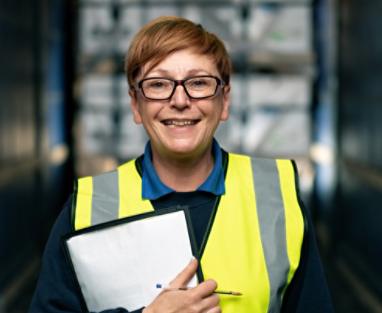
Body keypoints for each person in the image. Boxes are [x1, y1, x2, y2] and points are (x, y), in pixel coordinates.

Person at [29, 16, 333, 313]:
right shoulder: (87, 209)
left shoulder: (276, 198)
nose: (179, 100)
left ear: (224, 101)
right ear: (136, 105)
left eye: (198, 82)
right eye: (159, 84)